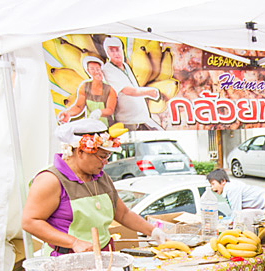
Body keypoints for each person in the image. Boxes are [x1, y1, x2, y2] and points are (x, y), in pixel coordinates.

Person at [21, 119, 164, 255]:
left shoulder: (101, 177)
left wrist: (153, 231)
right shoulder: (50, 180)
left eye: (108, 156)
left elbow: (123, 214)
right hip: (66, 259)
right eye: (102, 156)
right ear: (80, 151)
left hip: (104, 255)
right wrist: (74, 242)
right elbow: (30, 221)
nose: (106, 162)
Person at [100, 36, 162, 131]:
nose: (116, 53)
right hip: (127, 121)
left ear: (122, 50)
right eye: (112, 50)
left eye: (117, 49)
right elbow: (126, 90)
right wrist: (149, 92)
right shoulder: (107, 69)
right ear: (107, 52)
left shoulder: (125, 66)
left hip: (141, 118)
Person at [57, 57, 117, 127]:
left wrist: (99, 112)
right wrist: (68, 113)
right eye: (92, 69)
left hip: (108, 127)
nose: (96, 71)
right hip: (90, 126)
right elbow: (78, 106)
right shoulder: (85, 87)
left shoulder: (109, 89)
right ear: (88, 71)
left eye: (98, 69)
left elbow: (110, 110)